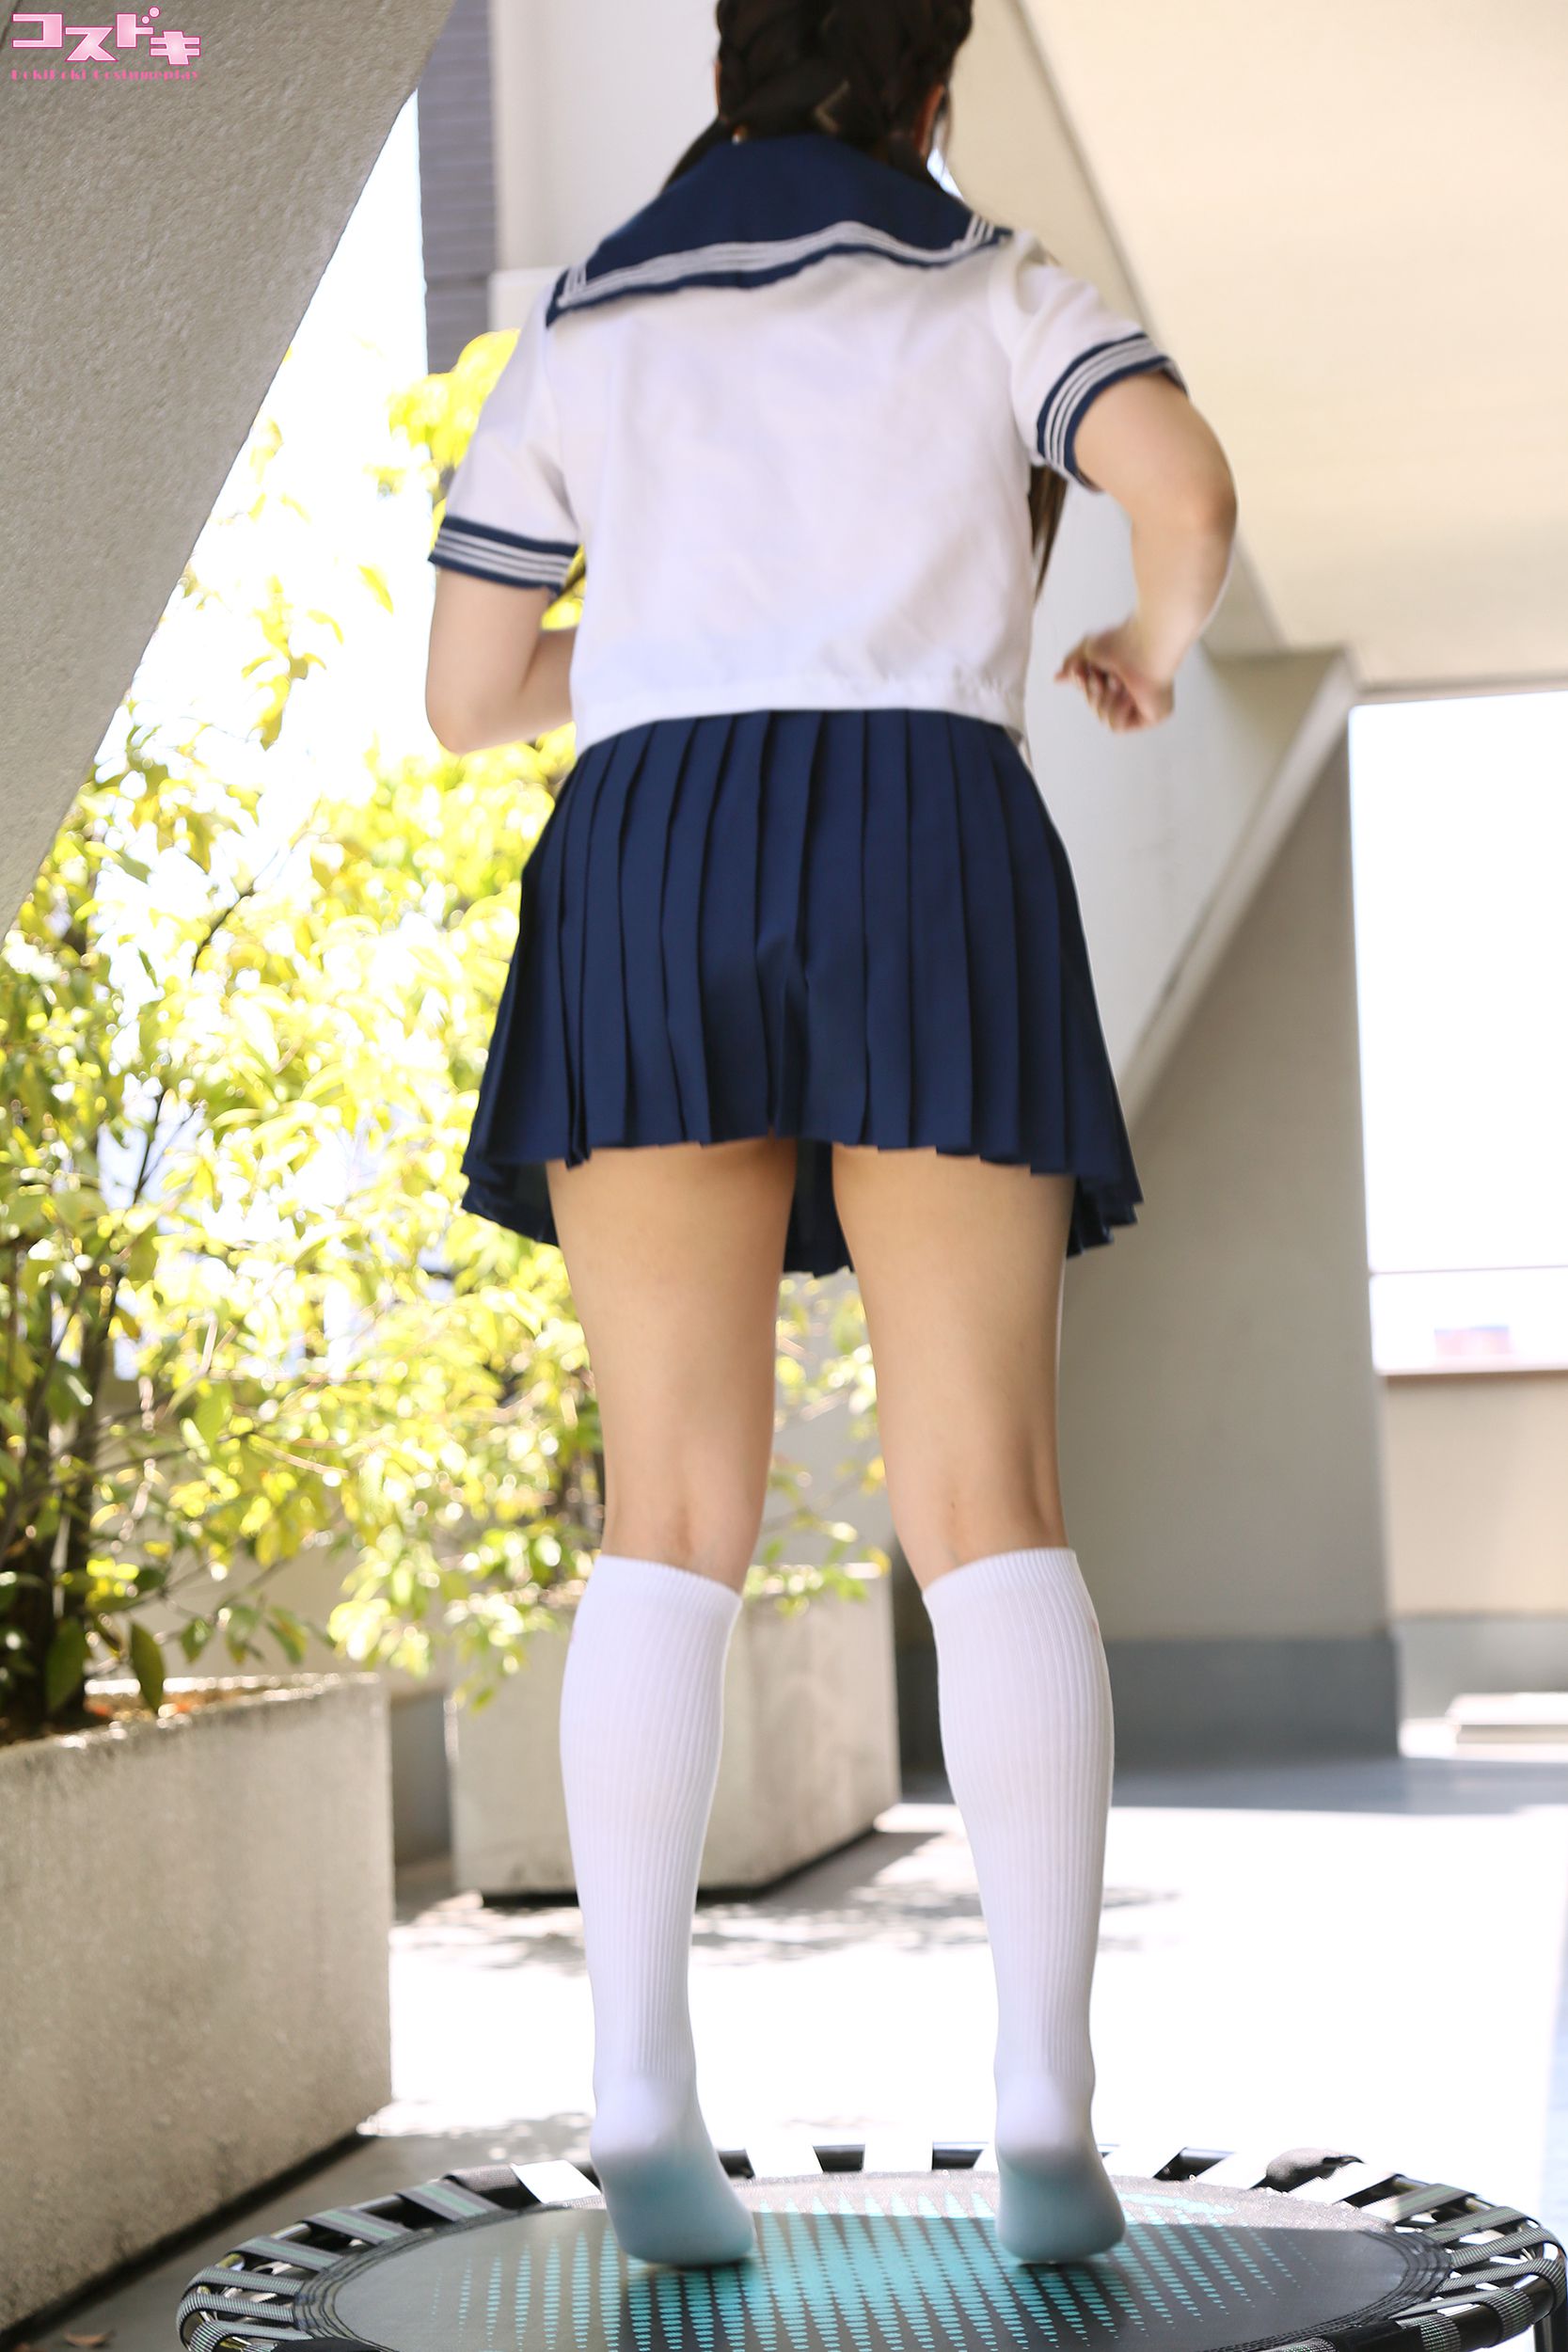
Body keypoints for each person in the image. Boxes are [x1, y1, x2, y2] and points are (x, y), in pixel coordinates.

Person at [424, 0, 1237, 2277]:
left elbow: (470, 693)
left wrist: (670, 662)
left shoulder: (587, 311)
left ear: (727, 72)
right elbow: (1184, 491)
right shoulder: (993, 281)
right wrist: (1151, 642)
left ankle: (640, 2084)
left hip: (649, 848)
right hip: (926, 831)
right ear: (932, 87)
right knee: (986, 1496)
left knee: (666, 1508)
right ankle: (1045, 2090)